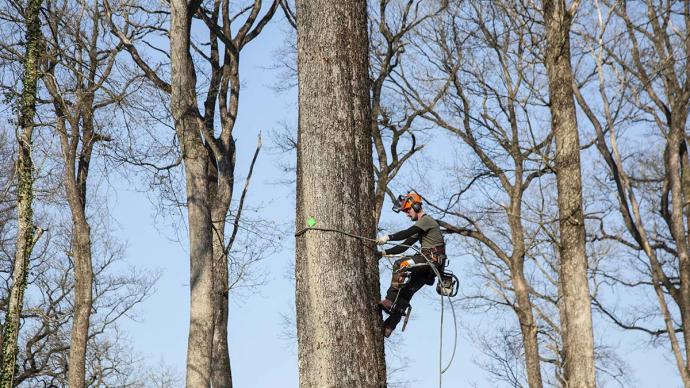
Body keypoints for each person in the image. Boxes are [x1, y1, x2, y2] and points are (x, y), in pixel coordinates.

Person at [375, 191, 446, 337]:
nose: (407, 214)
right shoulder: (421, 227)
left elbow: (407, 233)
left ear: (417, 206)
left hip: (429, 261)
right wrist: (382, 253)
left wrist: (389, 237)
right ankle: (389, 326)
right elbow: (404, 246)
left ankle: (389, 300)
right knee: (406, 291)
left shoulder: (427, 221)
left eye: (408, 210)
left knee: (401, 264)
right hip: (427, 267)